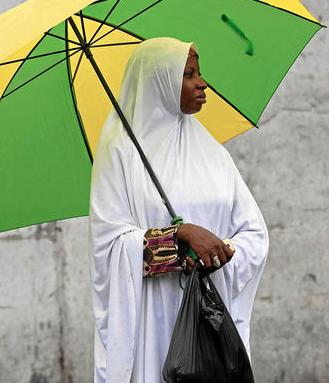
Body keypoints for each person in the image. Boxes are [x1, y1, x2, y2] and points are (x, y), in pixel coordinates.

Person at [89, 37, 269, 382]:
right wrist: (177, 239)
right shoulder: (120, 153)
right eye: (188, 74)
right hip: (150, 324)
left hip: (209, 320)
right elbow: (108, 247)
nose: (202, 83)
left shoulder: (213, 155)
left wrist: (219, 251)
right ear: (159, 80)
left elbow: (254, 234)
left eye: (199, 72)